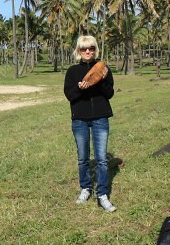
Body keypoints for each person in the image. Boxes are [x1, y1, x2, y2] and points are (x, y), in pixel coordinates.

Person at [63, 35, 116, 212]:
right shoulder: (72, 71)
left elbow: (109, 94)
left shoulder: (103, 68)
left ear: (95, 49)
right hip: (79, 119)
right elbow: (69, 96)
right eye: (84, 48)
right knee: (83, 158)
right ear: (78, 51)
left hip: (100, 117)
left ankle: (102, 194)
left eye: (91, 48)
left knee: (101, 160)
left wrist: (100, 80)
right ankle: (86, 188)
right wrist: (80, 88)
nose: (88, 51)